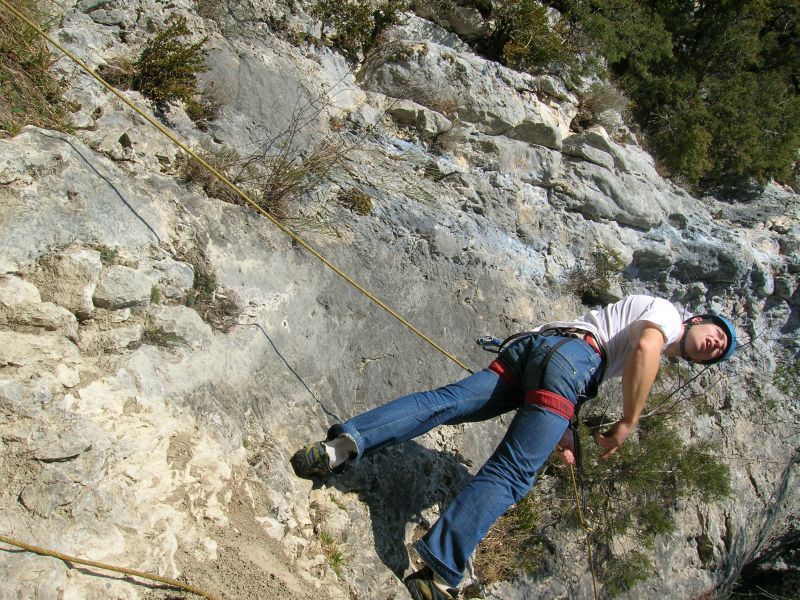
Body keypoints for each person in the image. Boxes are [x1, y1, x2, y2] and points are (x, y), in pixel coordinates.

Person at [290, 295, 737, 600]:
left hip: (541, 350)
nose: (715, 345)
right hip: (574, 360)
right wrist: (627, 422)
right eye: (717, 334)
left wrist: (563, 427)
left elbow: (583, 357)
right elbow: (643, 348)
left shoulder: (642, 318)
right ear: (696, 320)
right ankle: (438, 573)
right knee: (512, 473)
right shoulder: (667, 316)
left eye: (717, 353)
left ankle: (338, 448)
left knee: (445, 403)